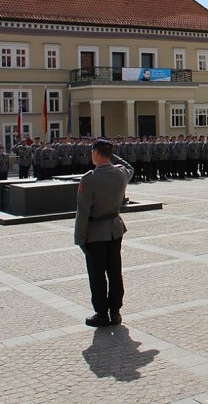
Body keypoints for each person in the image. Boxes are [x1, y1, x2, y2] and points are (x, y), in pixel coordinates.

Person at [74, 138, 135, 328]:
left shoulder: (89, 178)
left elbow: (83, 211)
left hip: (95, 232)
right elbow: (129, 167)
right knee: (115, 271)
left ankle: (101, 313)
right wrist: (111, 154)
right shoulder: (120, 174)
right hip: (115, 229)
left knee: (97, 274)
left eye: (93, 152)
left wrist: (79, 238)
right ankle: (115, 311)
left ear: (96, 154)